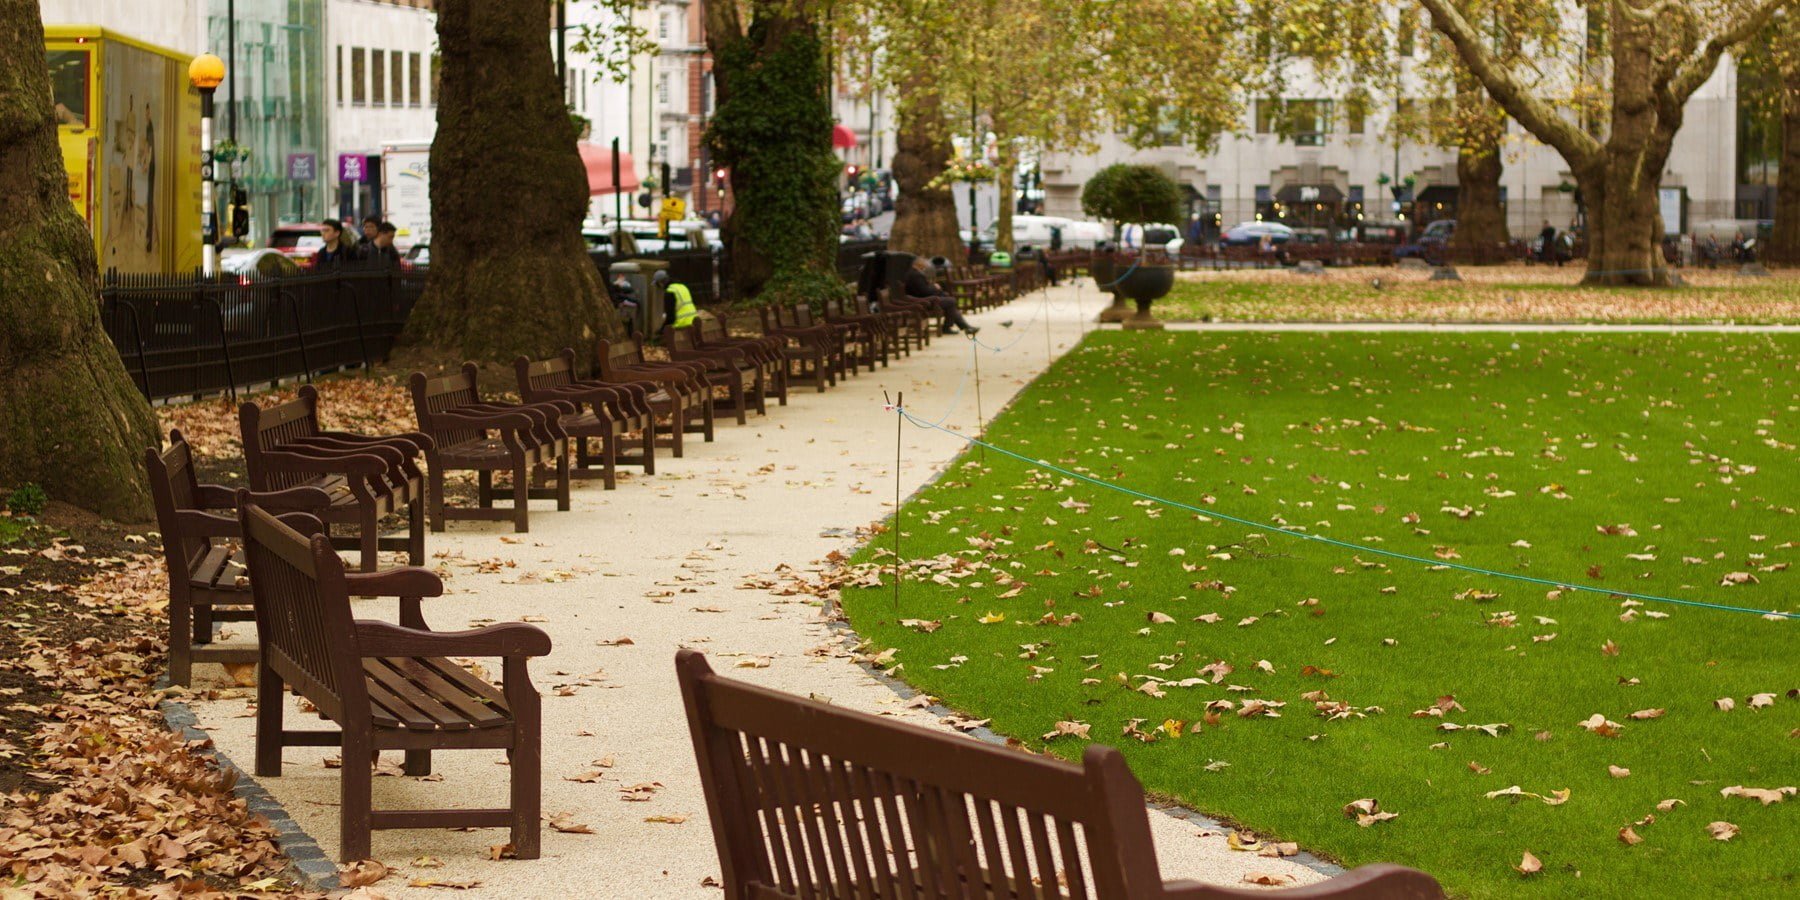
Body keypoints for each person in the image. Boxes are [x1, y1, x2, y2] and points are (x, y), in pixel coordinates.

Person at [902, 257, 979, 336]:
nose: (925, 264)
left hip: (923, 299)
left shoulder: (914, 273)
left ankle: (961, 326)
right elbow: (925, 291)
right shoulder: (916, 275)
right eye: (924, 262)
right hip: (923, 302)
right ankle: (951, 327)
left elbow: (923, 289)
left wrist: (936, 290)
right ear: (919, 264)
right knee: (951, 301)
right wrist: (934, 287)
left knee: (949, 301)